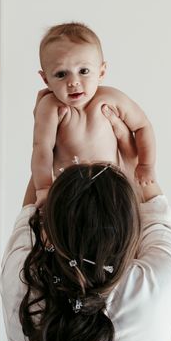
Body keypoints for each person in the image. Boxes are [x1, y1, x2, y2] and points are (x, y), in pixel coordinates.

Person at [0, 103, 171, 341]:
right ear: (130, 227)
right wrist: (136, 163)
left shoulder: (24, 282)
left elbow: (32, 213)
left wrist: (47, 142)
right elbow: (158, 215)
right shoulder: (159, 280)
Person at [31, 22, 156, 206]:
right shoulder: (50, 107)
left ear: (101, 71)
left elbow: (142, 126)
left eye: (83, 71)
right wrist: (43, 188)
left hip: (113, 187)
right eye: (61, 74)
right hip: (69, 192)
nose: (73, 82)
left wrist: (146, 164)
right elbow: (41, 148)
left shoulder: (111, 98)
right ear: (45, 79)